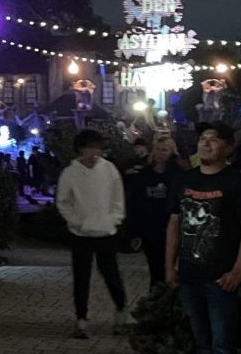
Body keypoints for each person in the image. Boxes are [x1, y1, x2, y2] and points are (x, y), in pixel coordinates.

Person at [166, 122, 241, 354]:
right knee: (200, 338)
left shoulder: (237, 183)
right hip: (190, 273)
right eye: (203, 139)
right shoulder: (185, 180)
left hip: (220, 276)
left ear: (228, 148)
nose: (206, 144)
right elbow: (174, 224)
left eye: (214, 140)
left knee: (221, 340)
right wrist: (169, 264)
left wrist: (238, 269)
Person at [56, 129, 127, 339]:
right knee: (81, 277)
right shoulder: (70, 173)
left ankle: (121, 312)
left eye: (96, 149)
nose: (93, 154)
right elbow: (63, 202)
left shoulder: (109, 169)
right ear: (80, 150)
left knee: (111, 274)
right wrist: (77, 222)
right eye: (88, 149)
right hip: (81, 234)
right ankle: (81, 319)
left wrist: (114, 219)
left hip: (106, 232)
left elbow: (117, 198)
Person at [126, 135, 182, 285]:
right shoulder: (144, 175)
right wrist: (134, 231)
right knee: (155, 270)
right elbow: (135, 203)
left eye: (164, 150)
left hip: (172, 229)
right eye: (157, 149)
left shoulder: (178, 175)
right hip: (150, 230)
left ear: (171, 152)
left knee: (171, 269)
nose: (160, 153)